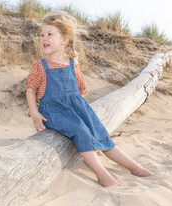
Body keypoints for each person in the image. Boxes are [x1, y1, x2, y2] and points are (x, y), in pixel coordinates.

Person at [25, 10, 153, 187]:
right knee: (81, 131)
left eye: (49, 34)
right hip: (54, 111)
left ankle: (133, 166)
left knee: (99, 131)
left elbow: (80, 88)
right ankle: (102, 173)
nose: (44, 38)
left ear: (64, 39)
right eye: (42, 35)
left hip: (77, 108)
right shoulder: (40, 66)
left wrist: (78, 104)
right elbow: (30, 90)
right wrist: (34, 113)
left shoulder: (71, 62)